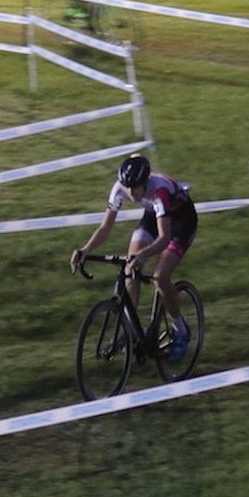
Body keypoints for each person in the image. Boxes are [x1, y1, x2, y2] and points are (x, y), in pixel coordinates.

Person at [69, 153, 198, 361]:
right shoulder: (120, 188)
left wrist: (144, 254)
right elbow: (105, 227)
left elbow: (164, 238)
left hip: (182, 221)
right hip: (154, 216)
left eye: (135, 187)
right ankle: (130, 329)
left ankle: (181, 330)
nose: (130, 192)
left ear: (145, 182)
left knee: (160, 277)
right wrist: (85, 250)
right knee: (130, 269)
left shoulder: (159, 192)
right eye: (127, 187)